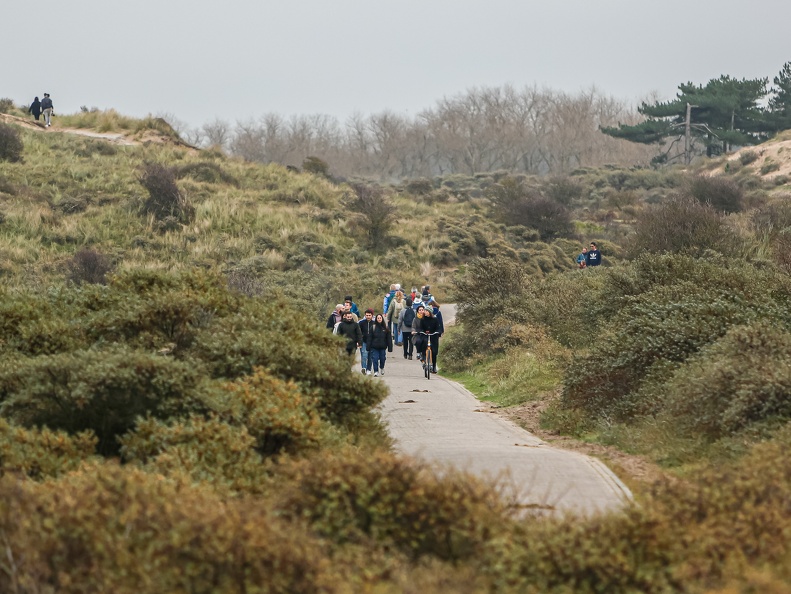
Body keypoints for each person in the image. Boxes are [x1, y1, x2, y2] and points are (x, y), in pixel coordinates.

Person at [416, 306, 441, 374]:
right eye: (425, 311)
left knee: (434, 351)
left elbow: (438, 328)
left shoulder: (435, 319)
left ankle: (434, 366)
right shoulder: (423, 319)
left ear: (430, 312)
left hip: (433, 336)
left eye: (427, 311)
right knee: (424, 343)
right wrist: (421, 331)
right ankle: (423, 356)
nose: (425, 312)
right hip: (425, 335)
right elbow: (421, 328)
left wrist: (438, 332)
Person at [358, 309, 375, 375]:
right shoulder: (361, 323)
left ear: (372, 316)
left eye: (369, 315)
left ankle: (369, 369)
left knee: (370, 356)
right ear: (365, 315)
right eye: (367, 315)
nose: (368, 316)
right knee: (364, 355)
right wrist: (359, 341)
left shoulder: (374, 323)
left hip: (372, 342)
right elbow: (358, 332)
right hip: (363, 341)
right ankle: (364, 368)